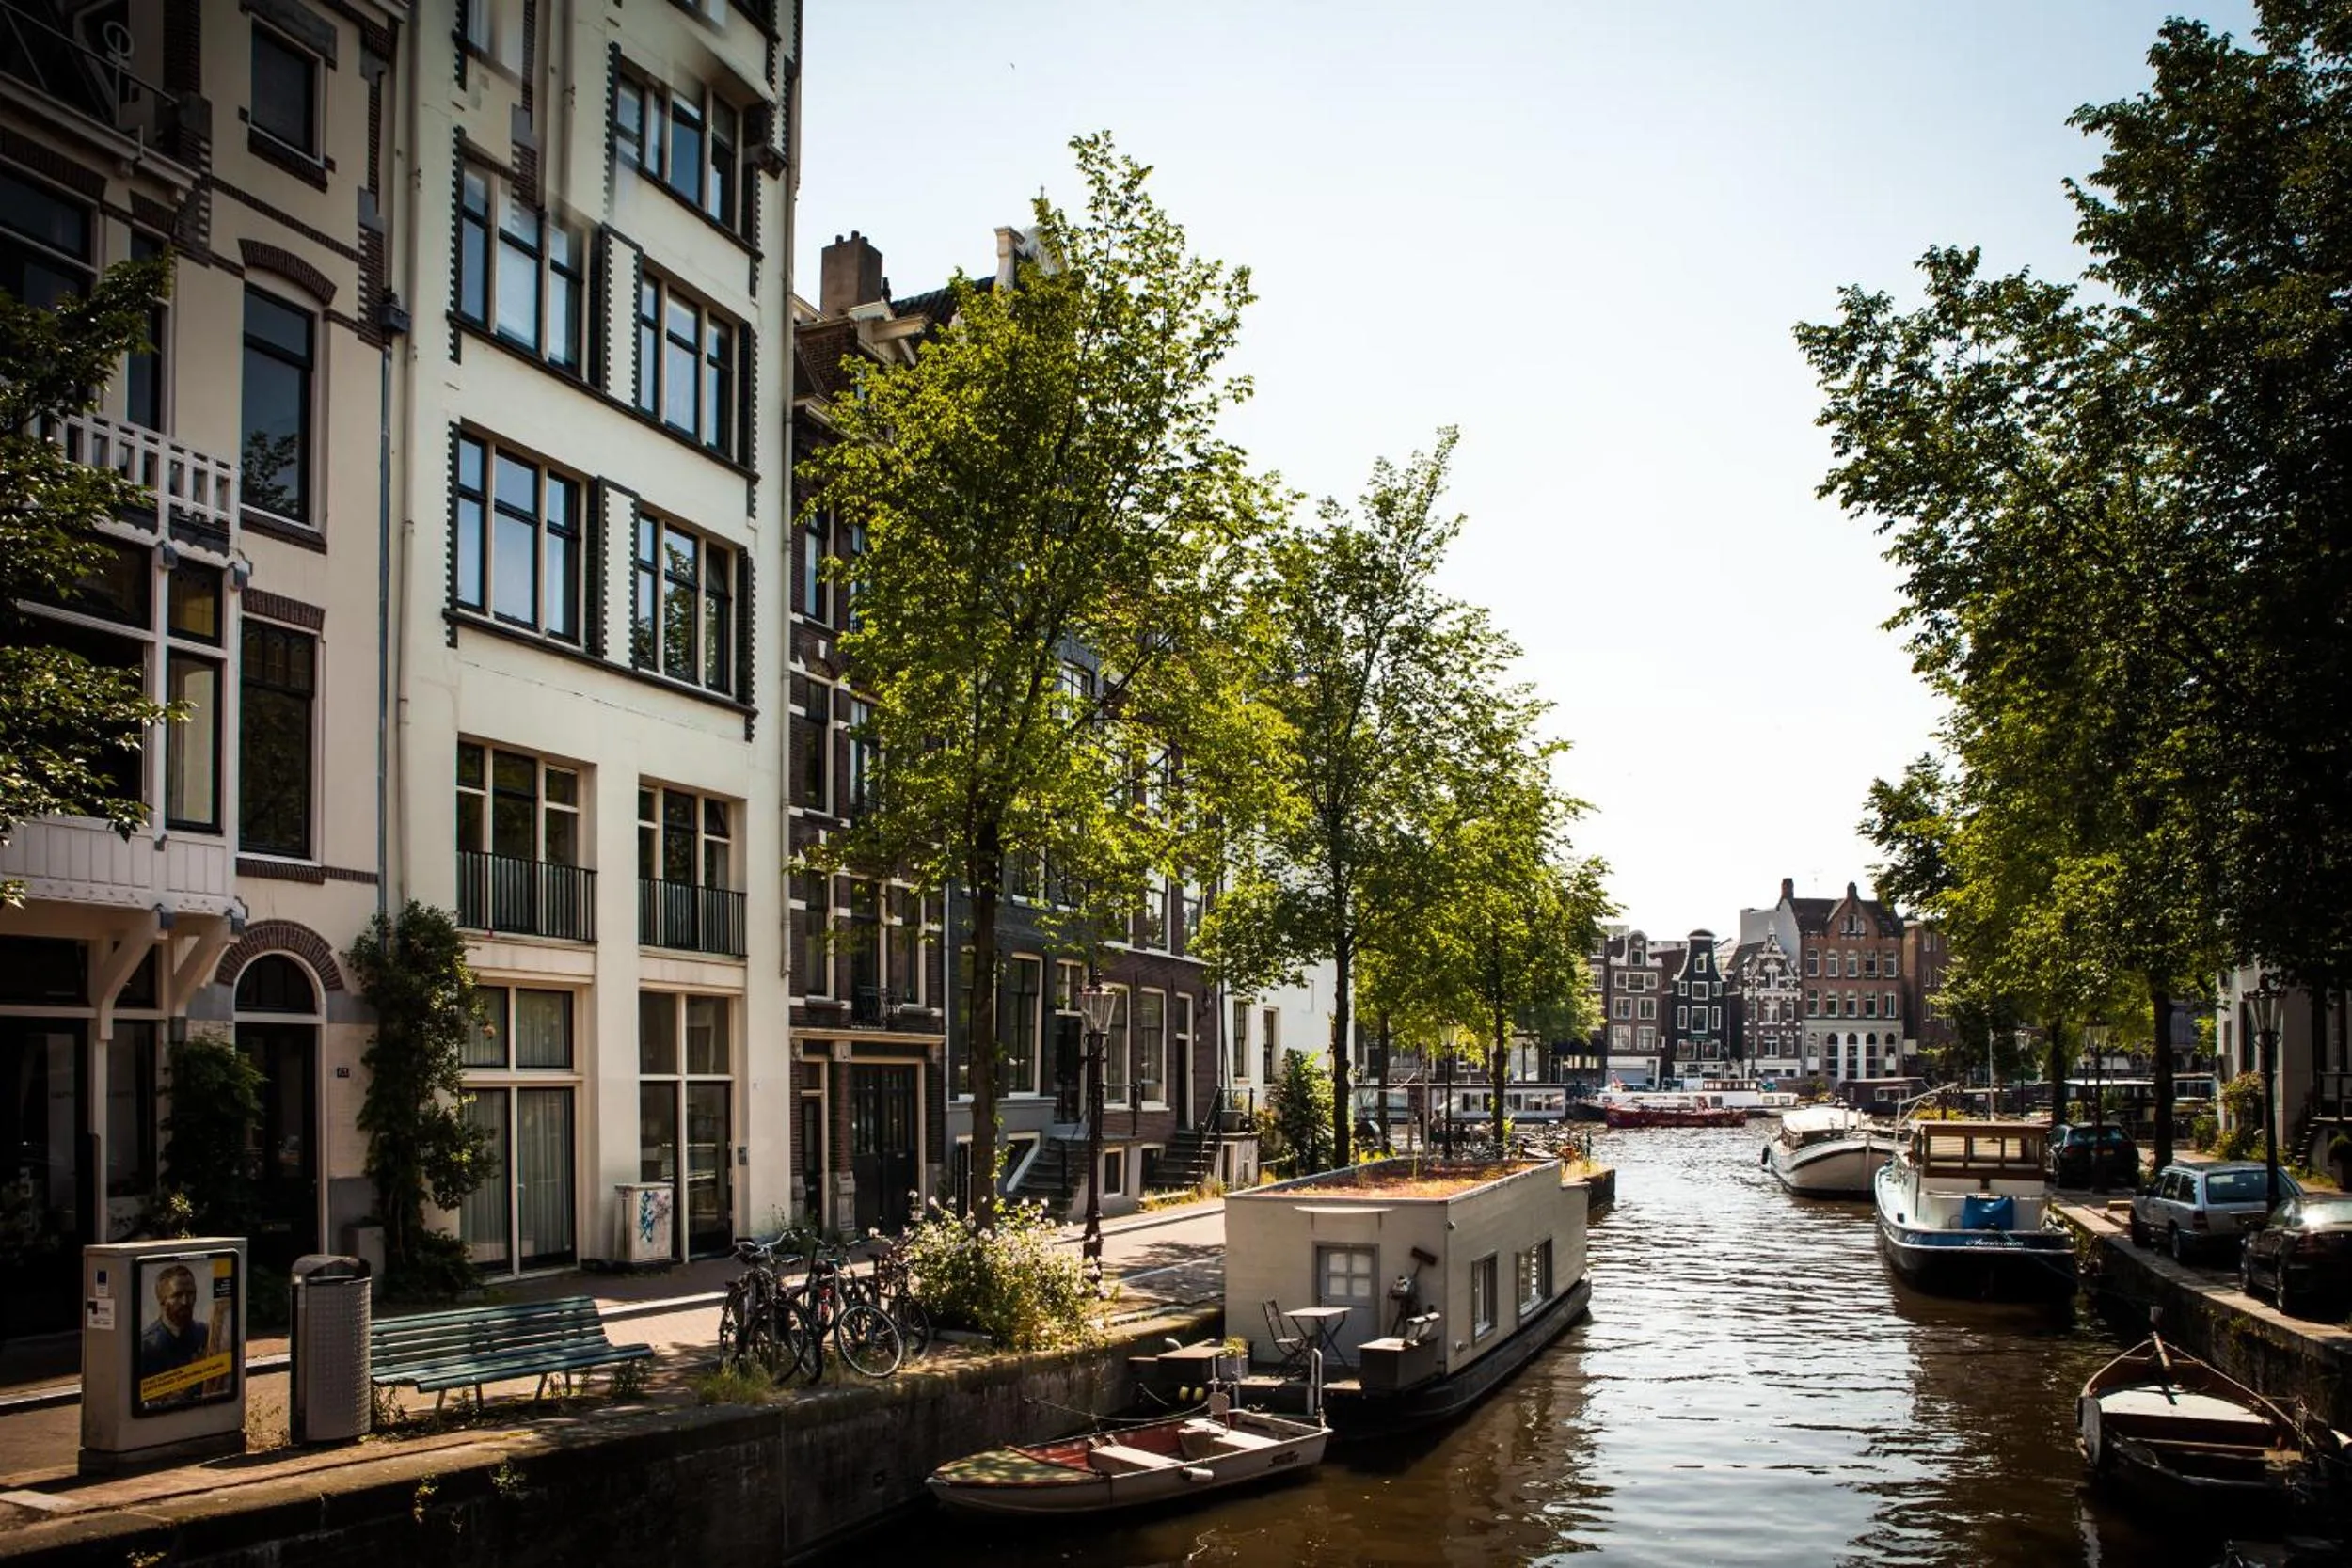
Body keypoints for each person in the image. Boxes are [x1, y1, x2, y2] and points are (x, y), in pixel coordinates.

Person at [138, 1263, 209, 1383]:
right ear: (161, 1299)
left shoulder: (206, 1333)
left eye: (190, 1293)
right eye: (177, 1295)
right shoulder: (145, 1346)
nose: (185, 1301)